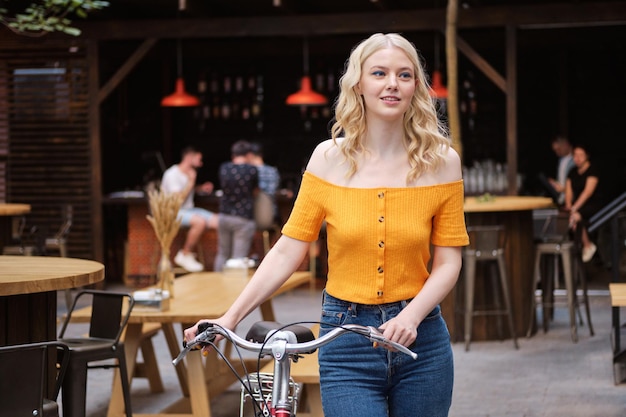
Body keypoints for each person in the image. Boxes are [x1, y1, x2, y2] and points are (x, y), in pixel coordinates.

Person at [185, 33, 469, 416]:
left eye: (404, 75)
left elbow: (449, 261)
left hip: (421, 340)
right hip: (345, 338)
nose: (391, 84)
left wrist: (411, 315)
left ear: (415, 86)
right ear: (359, 84)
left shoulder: (442, 162)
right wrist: (229, 318)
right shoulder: (328, 158)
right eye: (379, 73)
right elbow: (288, 248)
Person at [160, 146, 218, 272]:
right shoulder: (172, 174)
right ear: (189, 157)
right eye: (199, 159)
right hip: (173, 212)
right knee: (200, 222)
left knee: (218, 221)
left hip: (189, 210)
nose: (201, 163)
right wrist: (191, 181)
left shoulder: (188, 173)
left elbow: (185, 191)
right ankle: (185, 254)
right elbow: (177, 200)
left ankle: (224, 262)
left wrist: (200, 188)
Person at [213, 140, 259, 271]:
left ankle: (215, 286)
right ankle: (233, 291)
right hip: (243, 217)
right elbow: (255, 191)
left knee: (222, 254)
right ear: (249, 155)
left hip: (224, 215)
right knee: (237, 259)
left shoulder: (224, 168)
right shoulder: (252, 170)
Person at [565, 143, 604, 262]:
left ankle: (587, 245)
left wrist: (574, 208)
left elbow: (588, 192)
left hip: (593, 204)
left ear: (587, 155)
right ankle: (577, 248)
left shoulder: (593, 170)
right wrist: (568, 206)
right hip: (577, 206)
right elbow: (568, 191)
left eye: (580, 155)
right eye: (575, 155)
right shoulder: (572, 171)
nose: (577, 158)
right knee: (569, 217)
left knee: (574, 217)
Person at [247, 142, 284, 222]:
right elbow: (275, 190)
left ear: (250, 156)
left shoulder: (247, 173)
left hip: (252, 215)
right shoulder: (273, 171)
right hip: (271, 213)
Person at [547, 135, 574, 205]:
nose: (557, 152)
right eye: (555, 150)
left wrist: (564, 189)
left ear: (565, 145)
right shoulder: (560, 160)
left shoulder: (575, 160)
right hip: (561, 198)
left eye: (558, 149)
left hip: (572, 198)